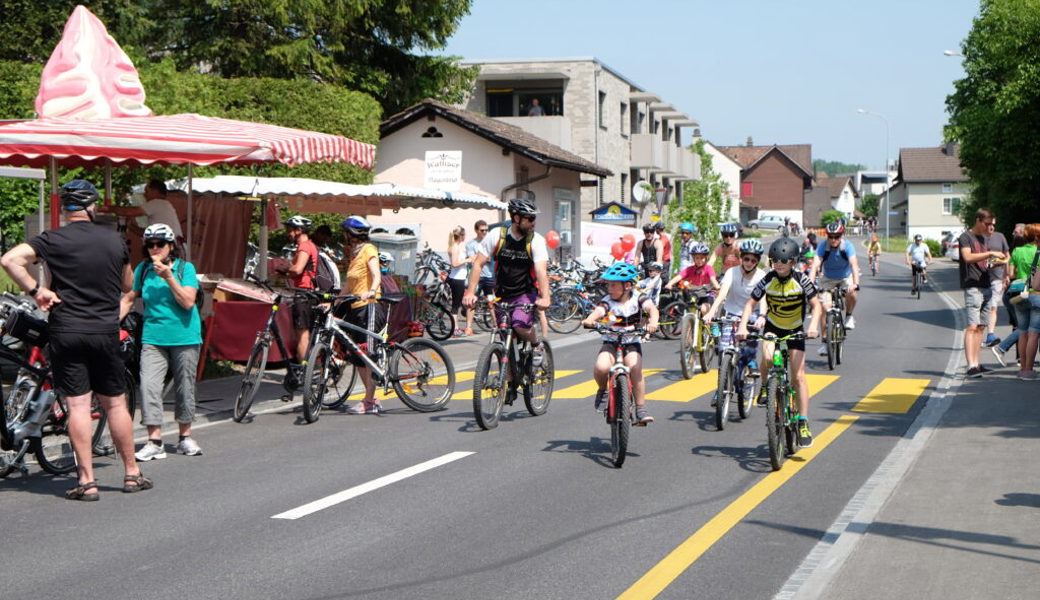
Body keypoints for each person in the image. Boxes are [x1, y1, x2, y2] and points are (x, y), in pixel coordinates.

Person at [0, 179, 151, 500]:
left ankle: (87, 481)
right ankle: (132, 474)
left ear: (66, 209)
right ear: (91, 206)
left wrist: (37, 290)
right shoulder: (114, 241)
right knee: (115, 403)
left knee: (78, 405)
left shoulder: (52, 239)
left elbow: (10, 259)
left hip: (66, 330)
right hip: (105, 329)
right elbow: (128, 284)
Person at [119, 223, 203, 460]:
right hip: (153, 338)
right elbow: (128, 299)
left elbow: (188, 302)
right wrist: (110, 323)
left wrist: (168, 277)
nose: (154, 249)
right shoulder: (143, 270)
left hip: (185, 337)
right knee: (148, 387)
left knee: (184, 387)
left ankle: (185, 436)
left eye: (160, 244)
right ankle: (154, 441)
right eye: (150, 245)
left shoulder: (185, 269)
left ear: (170, 246)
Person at [736, 236, 822, 448]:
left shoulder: (801, 280)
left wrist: (813, 327)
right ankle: (766, 386)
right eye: (776, 261)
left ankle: (802, 421)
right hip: (773, 327)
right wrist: (742, 326)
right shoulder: (767, 280)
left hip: (794, 330)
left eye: (784, 262)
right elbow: (750, 304)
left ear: (793, 262)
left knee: (799, 376)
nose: (780, 265)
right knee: (766, 356)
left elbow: (817, 306)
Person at [462, 197, 551, 367]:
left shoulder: (535, 240)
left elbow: (541, 270)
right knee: (505, 338)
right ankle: (507, 386)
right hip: (502, 294)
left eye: (534, 218)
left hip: (525, 293)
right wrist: (470, 292)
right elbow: (478, 264)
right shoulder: (497, 236)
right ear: (516, 218)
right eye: (530, 218)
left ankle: (536, 344)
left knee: (520, 326)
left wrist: (545, 297)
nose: (534, 222)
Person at [580, 262, 659, 424]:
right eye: (609, 285)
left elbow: (652, 309)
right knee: (601, 367)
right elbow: (599, 311)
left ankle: (640, 408)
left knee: (635, 367)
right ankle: (602, 390)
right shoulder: (607, 300)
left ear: (628, 286)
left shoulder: (639, 298)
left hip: (631, 342)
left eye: (614, 285)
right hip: (611, 341)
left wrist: (653, 323)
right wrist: (590, 320)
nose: (610, 288)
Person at [704, 239, 767, 399]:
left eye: (753, 260)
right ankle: (721, 388)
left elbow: (764, 300)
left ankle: (750, 363)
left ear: (757, 261)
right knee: (724, 350)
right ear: (741, 258)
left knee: (749, 347)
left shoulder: (761, 276)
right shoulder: (732, 272)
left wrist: (762, 316)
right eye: (746, 258)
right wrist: (711, 312)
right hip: (731, 314)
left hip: (753, 315)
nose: (749, 262)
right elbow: (723, 293)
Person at [341, 216, 384, 413]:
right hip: (355, 308)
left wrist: (372, 290)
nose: (344, 235)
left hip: (369, 306)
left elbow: (376, 275)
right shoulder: (354, 254)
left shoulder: (369, 249)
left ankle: (369, 402)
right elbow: (349, 285)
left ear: (352, 234)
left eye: (346, 232)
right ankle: (371, 399)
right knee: (358, 356)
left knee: (368, 353)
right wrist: (332, 301)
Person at [959, 208, 1006, 378]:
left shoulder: (983, 238)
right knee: (972, 327)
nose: (989, 228)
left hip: (985, 283)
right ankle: (970, 366)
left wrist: (996, 263)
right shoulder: (966, 237)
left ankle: (977, 364)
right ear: (978, 220)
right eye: (987, 224)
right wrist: (991, 253)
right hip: (973, 285)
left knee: (980, 327)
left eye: (992, 225)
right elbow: (968, 257)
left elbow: (983, 262)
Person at [993, 223, 1040, 377]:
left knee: (1022, 332)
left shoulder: (1017, 251)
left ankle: (1022, 370)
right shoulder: (1038, 252)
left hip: (1019, 294)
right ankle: (1029, 370)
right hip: (1036, 294)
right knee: (1033, 334)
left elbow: (1011, 274)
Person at [809, 221, 860, 357]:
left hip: (845, 278)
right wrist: (810, 284)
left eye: (836, 236)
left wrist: (855, 283)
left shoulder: (847, 246)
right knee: (824, 309)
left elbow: (854, 265)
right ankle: (825, 343)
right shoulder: (822, 247)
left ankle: (849, 316)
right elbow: (815, 266)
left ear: (841, 236)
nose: (833, 240)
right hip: (828, 279)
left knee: (852, 292)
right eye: (830, 237)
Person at [278, 215, 319, 367]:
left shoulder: (305, 246)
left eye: (290, 230)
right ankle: (309, 368)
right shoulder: (310, 246)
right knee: (305, 332)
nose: (288, 233)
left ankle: (304, 369)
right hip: (309, 293)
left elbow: (297, 269)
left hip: (303, 293)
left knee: (302, 333)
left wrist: (286, 270)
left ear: (299, 230)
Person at [664, 242, 720, 318]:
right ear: (693, 258)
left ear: (706, 258)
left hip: (706, 295)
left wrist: (717, 286)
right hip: (694, 296)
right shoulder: (690, 269)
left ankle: (710, 325)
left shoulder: (708, 268)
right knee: (689, 314)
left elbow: (713, 279)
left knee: (704, 309)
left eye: (702, 258)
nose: (699, 260)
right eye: (697, 258)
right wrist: (670, 284)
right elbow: (679, 276)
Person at [463, 220, 494, 335]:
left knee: (492, 302)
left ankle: (496, 325)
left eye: (486, 230)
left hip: (490, 276)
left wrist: (480, 258)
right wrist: (483, 258)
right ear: (476, 230)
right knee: (472, 302)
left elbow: (489, 258)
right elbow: (472, 260)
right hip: (477, 278)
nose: (485, 232)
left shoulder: (491, 242)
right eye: (482, 230)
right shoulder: (471, 244)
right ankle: (468, 327)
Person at [984, 220, 1010, 347]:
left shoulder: (1000, 237)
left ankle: (990, 334)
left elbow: (1007, 257)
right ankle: (980, 334)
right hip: (981, 278)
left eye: (993, 225)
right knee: (983, 307)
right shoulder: (979, 238)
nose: (992, 227)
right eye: (989, 225)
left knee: (993, 306)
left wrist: (1006, 275)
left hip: (997, 277)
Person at [446, 225, 473, 336]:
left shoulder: (457, 246)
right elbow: (455, 263)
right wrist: (467, 260)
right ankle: (455, 329)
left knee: (457, 304)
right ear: (460, 236)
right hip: (457, 279)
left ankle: (455, 327)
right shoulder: (455, 247)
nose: (465, 236)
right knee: (455, 305)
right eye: (464, 234)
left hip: (458, 277)